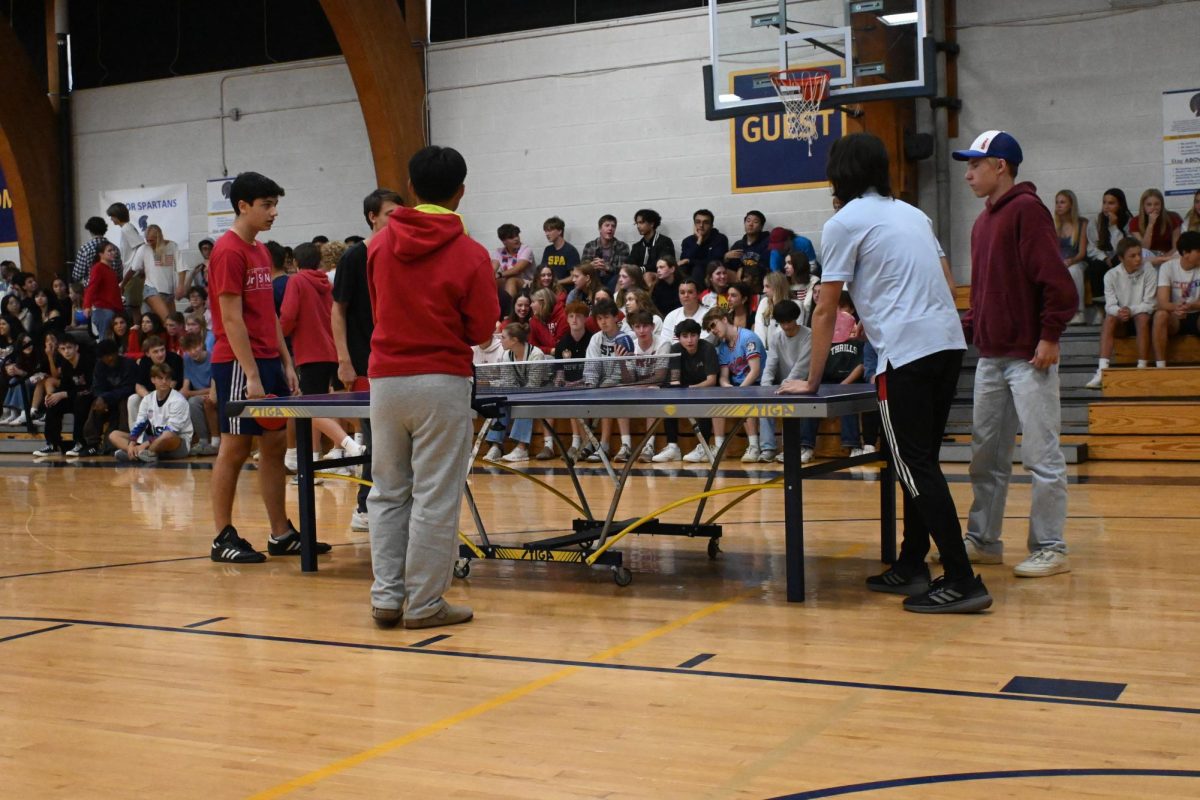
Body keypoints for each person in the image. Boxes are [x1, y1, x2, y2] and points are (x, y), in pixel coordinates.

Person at [779, 131, 989, 613]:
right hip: (947, 344)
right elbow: (947, 281)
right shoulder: (914, 213)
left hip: (908, 353)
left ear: (841, 173)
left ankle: (961, 578)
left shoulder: (843, 222)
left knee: (913, 465)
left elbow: (827, 310)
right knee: (918, 462)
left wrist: (810, 381)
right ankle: (913, 562)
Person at [366, 145, 498, 629]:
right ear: (460, 193)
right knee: (435, 496)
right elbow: (482, 331)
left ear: (413, 191)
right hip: (441, 380)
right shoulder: (471, 252)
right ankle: (423, 605)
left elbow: (380, 307)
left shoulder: (377, 244)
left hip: (386, 380)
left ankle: (386, 598)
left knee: (387, 492)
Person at [953, 129, 1076, 581]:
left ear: (999, 166)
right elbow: (986, 293)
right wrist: (966, 329)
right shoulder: (983, 221)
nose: (967, 175)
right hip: (991, 357)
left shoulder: (1028, 211)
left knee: (1042, 456)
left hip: (1029, 357)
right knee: (986, 456)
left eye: (974, 165)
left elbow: (1057, 284)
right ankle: (984, 540)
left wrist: (1049, 335)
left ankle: (1051, 545)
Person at [207, 171, 323, 564]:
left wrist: (285, 361)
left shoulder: (259, 250)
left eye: (275, 205)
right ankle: (222, 536)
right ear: (243, 206)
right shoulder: (227, 251)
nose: (274, 212)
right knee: (235, 448)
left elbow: (267, 313)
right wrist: (252, 374)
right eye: (267, 205)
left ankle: (281, 533)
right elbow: (232, 318)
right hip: (240, 365)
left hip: (269, 361)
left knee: (274, 445)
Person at [332, 188, 403, 532]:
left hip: (397, 360)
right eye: (390, 213)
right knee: (375, 438)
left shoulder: (402, 251)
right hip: (365, 360)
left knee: (394, 439)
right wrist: (344, 358)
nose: (397, 219)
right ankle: (364, 508)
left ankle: (391, 503)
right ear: (372, 216)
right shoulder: (354, 257)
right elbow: (338, 309)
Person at [280, 241, 366, 472]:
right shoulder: (328, 282)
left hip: (310, 353)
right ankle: (348, 447)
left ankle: (348, 447)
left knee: (310, 409)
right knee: (337, 407)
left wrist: (279, 336)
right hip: (334, 351)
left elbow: (288, 316)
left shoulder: (296, 280)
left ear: (296, 263)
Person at [1086, 237, 1157, 388]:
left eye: (1139, 254)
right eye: (1133, 256)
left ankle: (1142, 366)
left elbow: (1150, 303)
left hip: (1141, 317)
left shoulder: (1149, 269)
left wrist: (1131, 310)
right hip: (1122, 319)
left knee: (1143, 317)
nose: (1138, 259)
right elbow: (1110, 305)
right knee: (1109, 318)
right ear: (1120, 258)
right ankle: (1102, 370)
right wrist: (1120, 311)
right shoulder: (1111, 275)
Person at [482, 322, 551, 463]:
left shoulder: (536, 355)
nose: (500, 340)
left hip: (541, 392)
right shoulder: (507, 355)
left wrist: (515, 393)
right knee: (501, 402)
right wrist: (494, 386)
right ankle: (496, 446)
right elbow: (508, 383)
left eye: (503, 337)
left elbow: (533, 386)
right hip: (520, 391)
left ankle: (522, 448)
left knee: (524, 403)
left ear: (514, 340)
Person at [703, 305, 765, 462]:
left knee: (745, 399)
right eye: (710, 329)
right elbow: (724, 376)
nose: (713, 331)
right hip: (738, 386)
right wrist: (726, 386)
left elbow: (755, 371)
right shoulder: (723, 347)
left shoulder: (748, 338)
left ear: (724, 319)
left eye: (713, 325)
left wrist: (740, 391)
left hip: (758, 385)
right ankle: (719, 447)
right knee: (716, 400)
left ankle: (754, 447)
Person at [652, 319, 719, 463]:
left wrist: (691, 389)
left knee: (705, 401)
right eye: (685, 336)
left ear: (699, 335)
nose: (690, 340)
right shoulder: (676, 349)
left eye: (693, 335)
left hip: (704, 390)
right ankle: (672, 447)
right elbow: (675, 380)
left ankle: (704, 447)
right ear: (679, 338)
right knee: (668, 400)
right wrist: (680, 392)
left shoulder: (707, 349)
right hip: (684, 389)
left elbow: (711, 380)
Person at [759, 298, 813, 463]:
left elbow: (801, 367)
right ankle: (768, 448)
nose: (786, 326)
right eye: (782, 323)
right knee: (764, 403)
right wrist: (765, 387)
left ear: (796, 319)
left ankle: (795, 449)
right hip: (782, 385)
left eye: (789, 321)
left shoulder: (809, 335)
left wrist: (786, 386)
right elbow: (771, 363)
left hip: (803, 385)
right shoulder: (776, 338)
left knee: (798, 404)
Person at [110, 363, 192, 462]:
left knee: (167, 435)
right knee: (114, 435)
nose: (164, 382)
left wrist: (144, 445)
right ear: (153, 380)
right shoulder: (148, 399)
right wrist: (132, 443)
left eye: (167, 378)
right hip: (150, 440)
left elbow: (171, 430)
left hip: (176, 442)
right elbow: (140, 423)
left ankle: (136, 454)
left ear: (171, 380)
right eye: (160, 378)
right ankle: (139, 453)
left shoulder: (178, 400)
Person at [33, 337, 95, 458]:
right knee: (53, 403)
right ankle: (53, 444)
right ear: (59, 351)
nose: (66, 351)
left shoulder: (88, 362)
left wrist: (63, 394)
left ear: (76, 348)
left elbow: (91, 388)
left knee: (80, 401)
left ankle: (80, 443)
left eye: (69, 347)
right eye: (63, 349)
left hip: (91, 398)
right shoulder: (66, 365)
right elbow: (66, 386)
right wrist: (53, 395)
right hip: (75, 396)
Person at [1151, 231, 1200, 367]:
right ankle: (1160, 366)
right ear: (1185, 253)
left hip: (1196, 314)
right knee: (1160, 315)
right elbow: (1162, 301)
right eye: (1199, 251)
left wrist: (1190, 306)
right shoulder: (1168, 267)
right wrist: (1176, 307)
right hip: (1176, 317)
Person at [125, 334, 185, 429]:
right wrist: (148, 398)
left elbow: (172, 384)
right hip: (151, 394)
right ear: (148, 354)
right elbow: (138, 385)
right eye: (156, 352)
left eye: (162, 350)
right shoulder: (144, 361)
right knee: (133, 399)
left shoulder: (175, 359)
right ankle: (136, 434)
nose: (160, 354)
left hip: (172, 394)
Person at [180, 333, 220, 455]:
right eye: (189, 349)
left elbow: (213, 388)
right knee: (180, 401)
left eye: (195, 347)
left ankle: (208, 441)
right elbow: (185, 387)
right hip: (197, 395)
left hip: (214, 393)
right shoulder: (186, 359)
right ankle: (189, 442)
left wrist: (190, 393)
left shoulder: (213, 357)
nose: (193, 352)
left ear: (201, 344)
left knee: (193, 401)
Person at [1054, 190, 1090, 325]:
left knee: (1073, 271)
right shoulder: (1055, 226)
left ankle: (1079, 312)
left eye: (1062, 202)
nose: (1058, 205)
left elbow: (1081, 253)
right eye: (1057, 202)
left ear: (1071, 205)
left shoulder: (1082, 223)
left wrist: (1071, 261)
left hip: (1077, 261)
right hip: (1059, 262)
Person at [1130, 188, 1182, 267]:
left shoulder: (1173, 217)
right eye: (1149, 204)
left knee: (1181, 252)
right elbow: (1144, 248)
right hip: (1149, 258)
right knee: (1141, 253)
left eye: (1156, 204)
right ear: (1143, 206)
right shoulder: (1135, 221)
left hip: (1169, 256)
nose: (1153, 207)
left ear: (1161, 205)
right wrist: (1150, 225)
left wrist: (1163, 258)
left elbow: (1176, 246)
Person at [83, 243, 125, 341]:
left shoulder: (109, 270)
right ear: (101, 254)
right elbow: (91, 287)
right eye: (109, 251)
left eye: (114, 250)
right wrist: (87, 305)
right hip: (103, 310)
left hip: (111, 309)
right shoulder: (98, 268)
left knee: (111, 341)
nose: (113, 252)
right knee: (105, 341)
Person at [580, 214, 630, 290]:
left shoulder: (622, 246)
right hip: (594, 278)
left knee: (618, 277)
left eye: (613, 226)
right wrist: (591, 265)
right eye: (607, 225)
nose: (610, 228)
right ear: (600, 229)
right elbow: (582, 268)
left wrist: (607, 267)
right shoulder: (590, 246)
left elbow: (624, 269)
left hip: (613, 279)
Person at [678, 209, 729, 281]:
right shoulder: (687, 241)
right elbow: (683, 261)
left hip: (712, 272)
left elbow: (716, 261)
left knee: (698, 269)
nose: (701, 225)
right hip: (690, 272)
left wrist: (690, 261)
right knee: (680, 269)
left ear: (711, 225)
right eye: (698, 222)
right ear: (694, 224)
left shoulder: (720, 239)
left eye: (706, 223)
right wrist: (698, 242)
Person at [72, 216, 123, 284]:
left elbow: (77, 275)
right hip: (111, 287)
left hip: (91, 288)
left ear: (90, 230)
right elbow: (119, 275)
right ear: (105, 229)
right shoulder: (114, 248)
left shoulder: (85, 249)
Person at [661, 279, 713, 345]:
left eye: (690, 292)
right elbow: (665, 342)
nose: (686, 295)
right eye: (682, 293)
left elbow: (707, 341)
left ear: (698, 294)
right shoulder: (671, 316)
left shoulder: (709, 315)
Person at [493, 223, 535, 299]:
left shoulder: (526, 249)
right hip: (507, 283)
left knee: (511, 281)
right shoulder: (499, 252)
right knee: (492, 281)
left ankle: (510, 310)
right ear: (504, 241)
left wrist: (499, 274)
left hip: (528, 284)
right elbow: (492, 269)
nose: (516, 239)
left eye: (517, 235)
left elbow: (517, 270)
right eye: (511, 237)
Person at [540, 216, 580, 291]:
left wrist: (557, 282)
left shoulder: (570, 251)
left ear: (559, 231)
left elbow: (574, 277)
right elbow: (542, 270)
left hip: (565, 289)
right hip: (549, 288)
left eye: (550, 230)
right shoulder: (548, 250)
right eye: (546, 231)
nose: (547, 234)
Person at [725, 210, 770, 277]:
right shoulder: (738, 244)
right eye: (748, 221)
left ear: (761, 226)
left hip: (758, 279)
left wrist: (743, 269)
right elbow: (731, 267)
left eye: (755, 222)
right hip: (738, 280)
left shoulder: (766, 243)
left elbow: (765, 266)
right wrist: (726, 258)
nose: (750, 224)